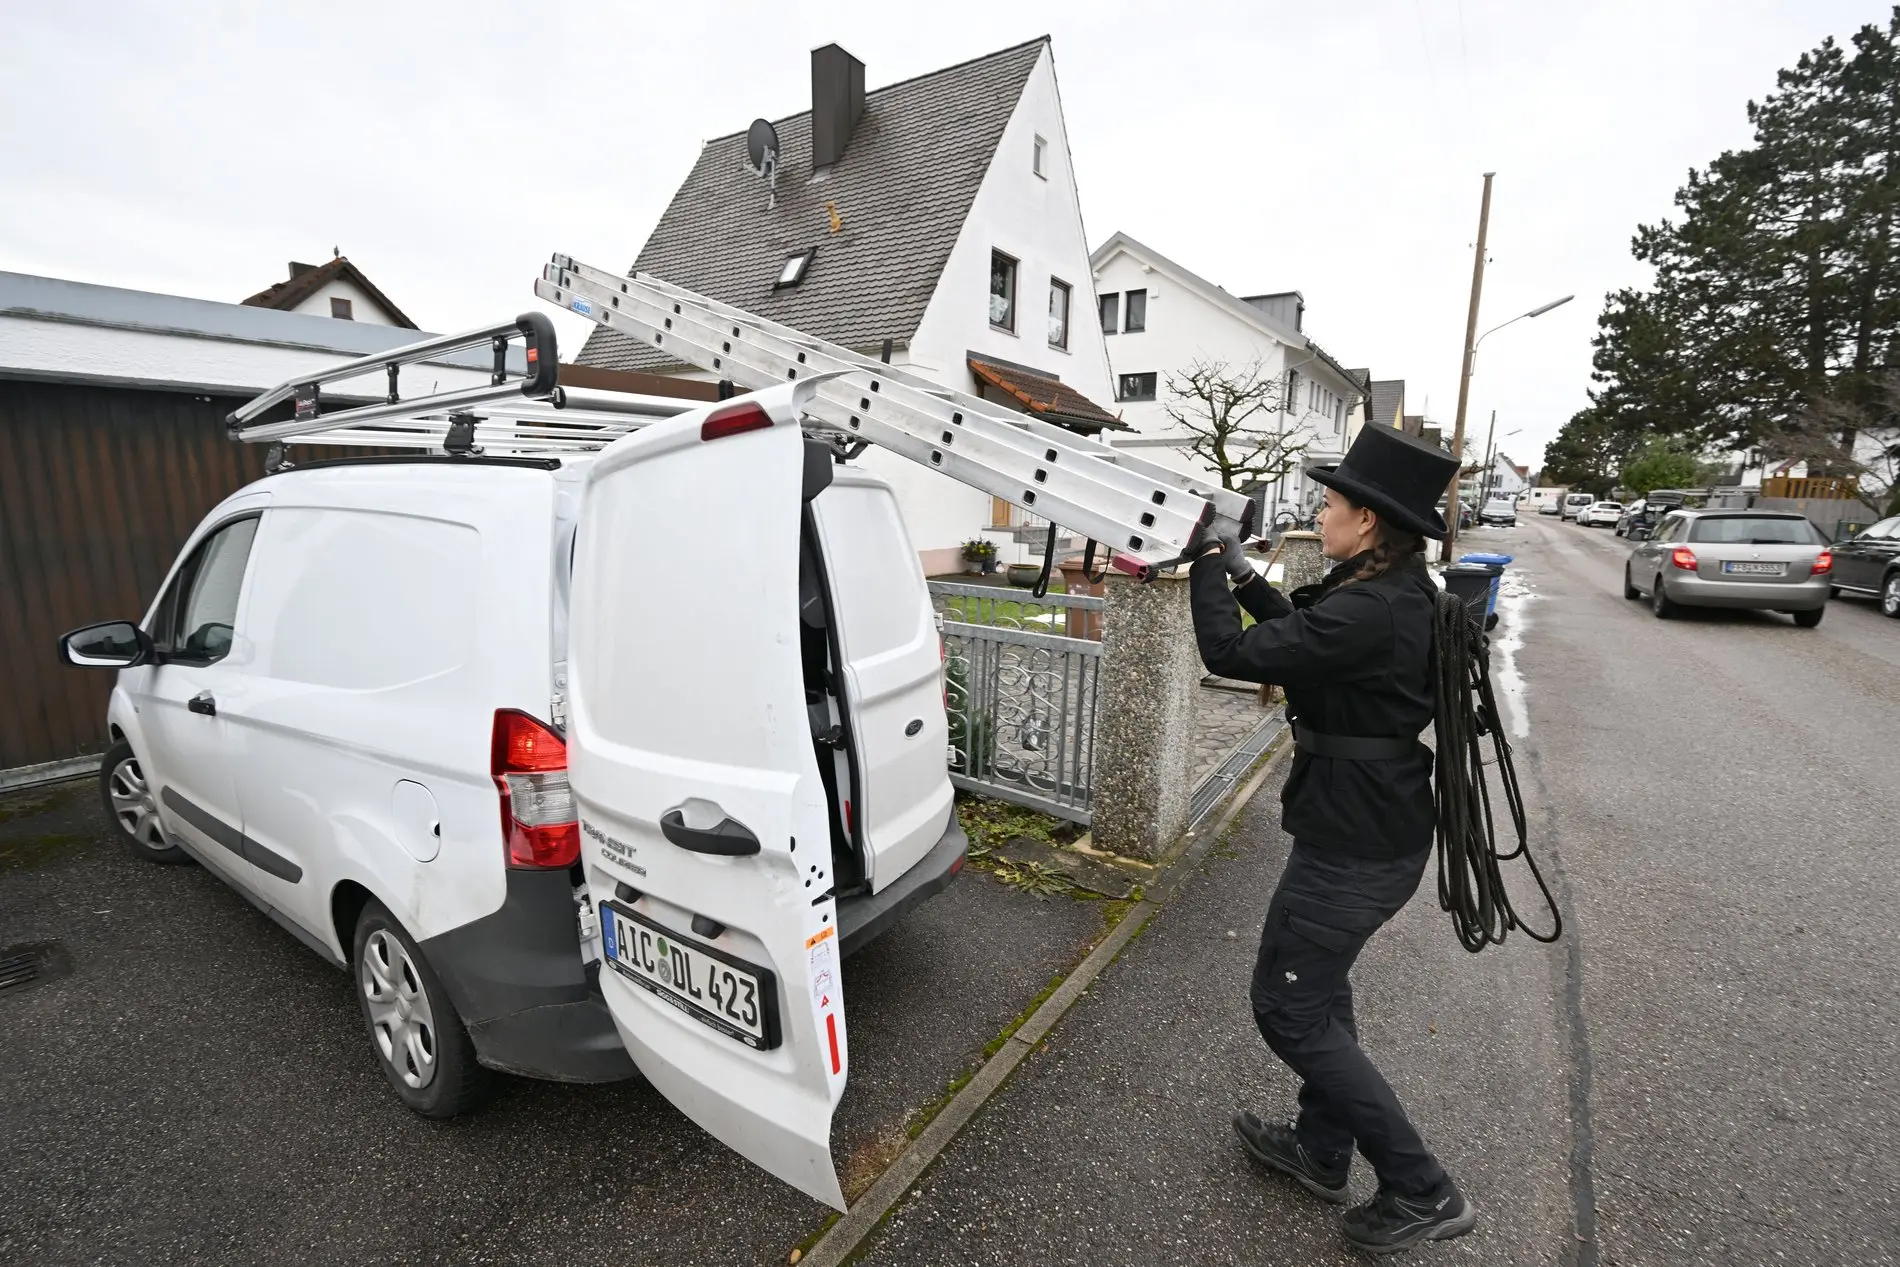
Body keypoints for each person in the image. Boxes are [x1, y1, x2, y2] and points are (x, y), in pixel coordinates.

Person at [1188, 424, 1476, 1254]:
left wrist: (1207, 561)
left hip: (1353, 847)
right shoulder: (1388, 596)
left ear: (1369, 523)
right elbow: (1310, 646)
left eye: (1329, 503)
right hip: (1365, 831)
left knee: (1287, 1006)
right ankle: (1320, 1149)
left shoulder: (1373, 606)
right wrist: (1244, 570)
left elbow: (1234, 651)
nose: (1320, 513)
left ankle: (1422, 1187)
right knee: (1320, 993)